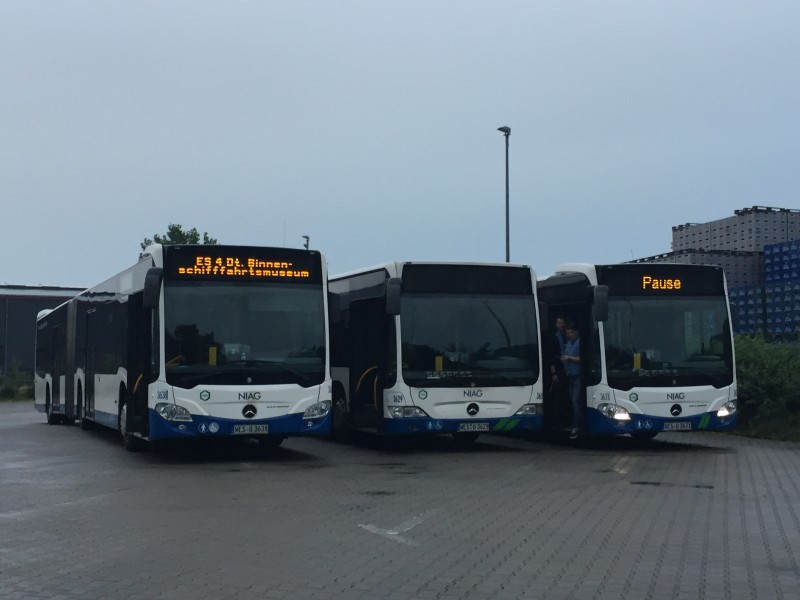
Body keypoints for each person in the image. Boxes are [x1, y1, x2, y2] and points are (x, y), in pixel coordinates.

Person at [561, 321, 582, 439]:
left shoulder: (579, 343)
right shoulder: (569, 343)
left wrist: (569, 358)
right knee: (570, 400)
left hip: (577, 376)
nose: (569, 335)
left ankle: (576, 426)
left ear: (576, 332)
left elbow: (582, 358)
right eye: (567, 333)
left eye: (570, 333)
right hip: (569, 376)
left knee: (576, 401)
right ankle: (571, 423)